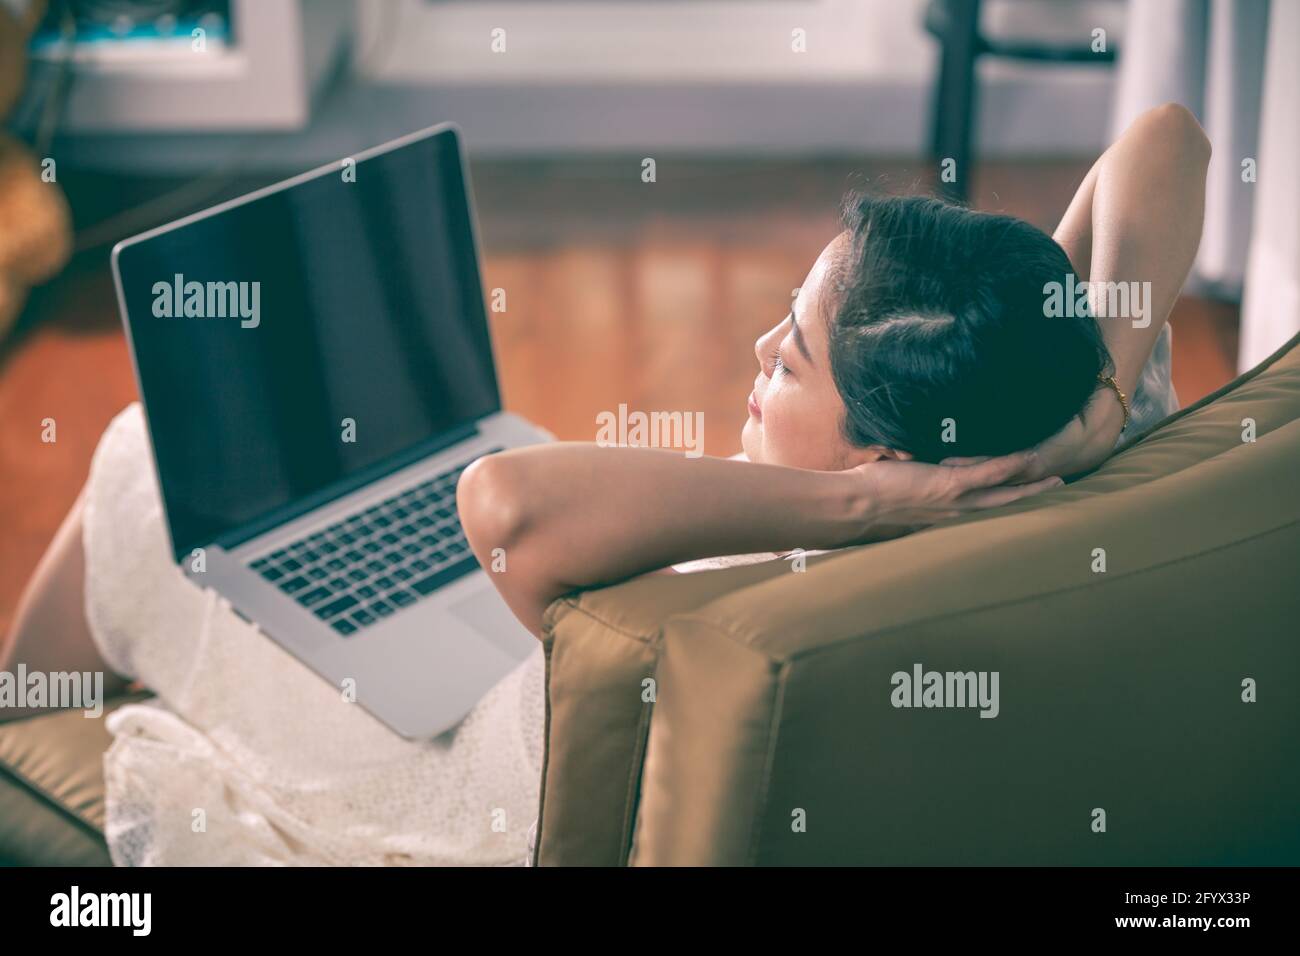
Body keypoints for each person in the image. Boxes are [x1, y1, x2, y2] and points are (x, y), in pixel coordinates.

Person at [0, 103, 1209, 865]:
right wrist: (1099, 402)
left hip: (433, 766)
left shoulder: (754, 574)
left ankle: (12, 740)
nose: (753, 355)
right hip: (505, 658)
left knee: (146, 453)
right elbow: (1164, 138)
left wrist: (863, 509)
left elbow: (500, 502)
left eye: (787, 357)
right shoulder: (1025, 417)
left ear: (887, 464)